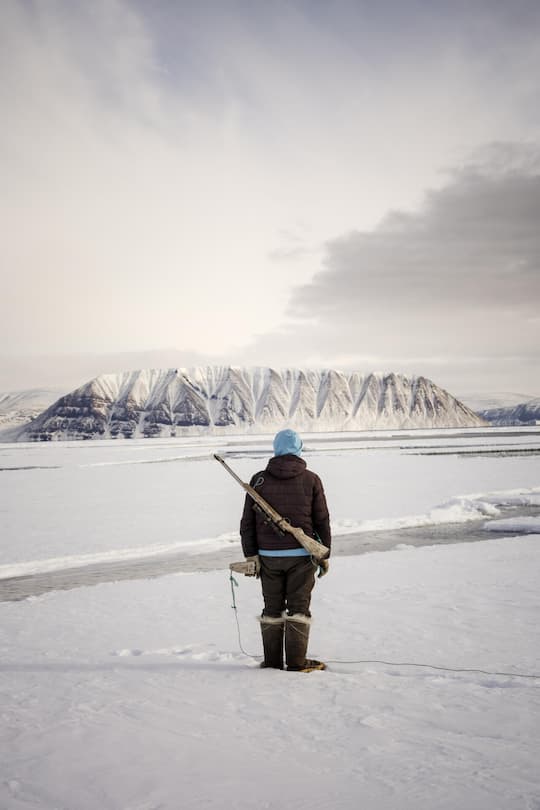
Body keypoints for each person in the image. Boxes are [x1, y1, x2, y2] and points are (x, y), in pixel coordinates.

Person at [239, 429, 331, 672]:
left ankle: (272, 663)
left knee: (272, 608)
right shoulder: (312, 479)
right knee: (299, 608)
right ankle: (297, 663)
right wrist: (324, 554)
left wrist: (252, 555)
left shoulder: (258, 480)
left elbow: (246, 525)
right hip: (302, 557)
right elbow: (322, 521)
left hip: (268, 557)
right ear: (299, 448)